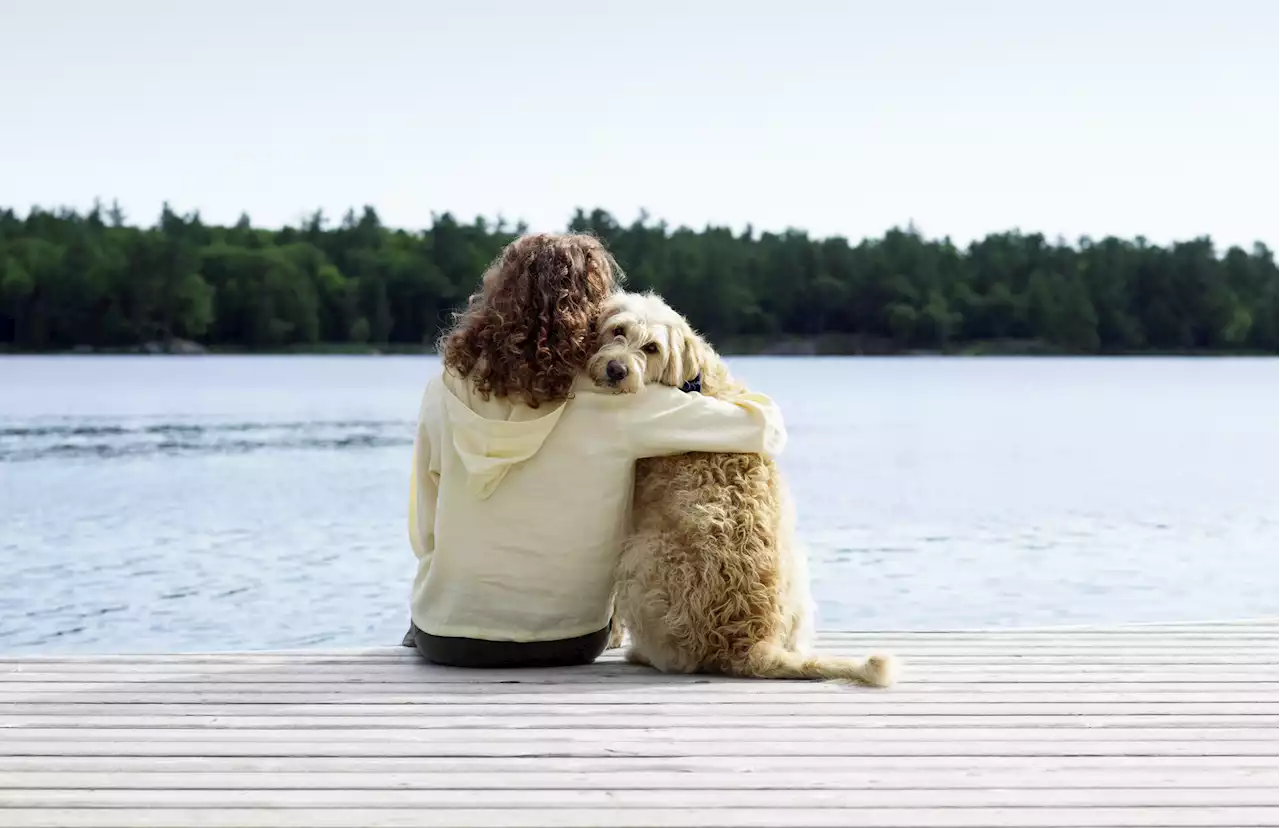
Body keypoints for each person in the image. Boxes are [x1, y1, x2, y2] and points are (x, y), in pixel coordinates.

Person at [404, 232, 786, 668]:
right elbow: (766, 429)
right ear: (588, 314)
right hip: (569, 640)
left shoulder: (443, 388)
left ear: (495, 298)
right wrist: (699, 367)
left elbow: (424, 530)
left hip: (447, 637)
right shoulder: (623, 403)